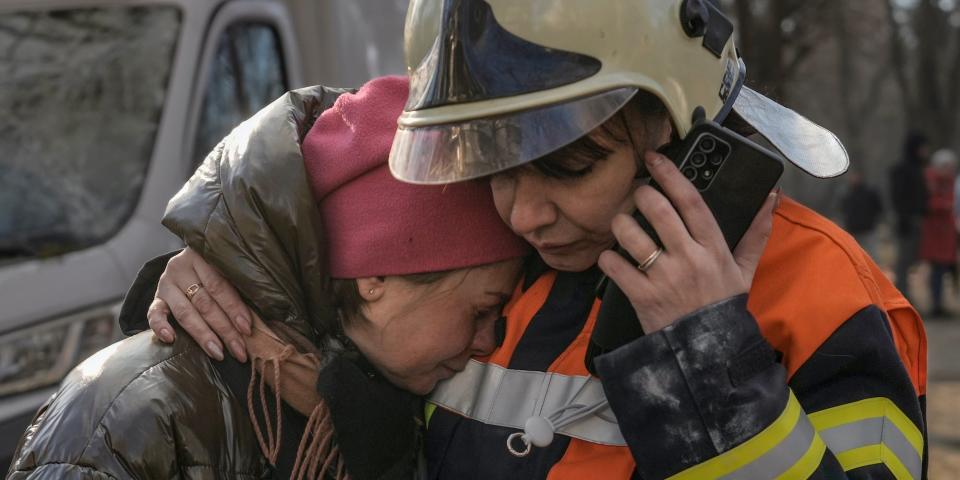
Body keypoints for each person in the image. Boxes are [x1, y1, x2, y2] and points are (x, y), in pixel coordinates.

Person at [145, 1, 927, 478]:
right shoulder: (488, 250)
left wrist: (710, 361)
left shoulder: (831, 301)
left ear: (682, 129)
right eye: (491, 166)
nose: (521, 214)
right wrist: (227, 254)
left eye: (567, 167)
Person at [5, 77, 530, 479]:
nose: (487, 343)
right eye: (482, 310)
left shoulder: (383, 409)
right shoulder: (126, 415)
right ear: (376, 276)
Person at [891, 132, 932, 300]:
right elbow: (898, 196)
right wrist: (904, 217)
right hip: (906, 221)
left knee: (912, 260)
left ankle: (904, 292)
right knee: (904, 260)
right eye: (923, 147)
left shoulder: (918, 168)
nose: (925, 151)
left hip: (916, 219)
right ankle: (901, 293)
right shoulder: (903, 169)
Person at [920, 149, 958, 317]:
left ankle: (940, 303)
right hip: (935, 233)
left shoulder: (949, 182)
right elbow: (929, 204)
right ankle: (936, 304)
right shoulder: (931, 180)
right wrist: (944, 205)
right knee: (937, 270)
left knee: (943, 270)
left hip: (946, 232)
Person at [840, 170, 884, 259]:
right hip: (852, 231)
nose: (854, 179)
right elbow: (842, 210)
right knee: (854, 256)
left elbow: (879, 208)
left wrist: (873, 220)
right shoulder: (847, 193)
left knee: (871, 256)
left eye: (856, 176)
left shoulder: (870, 192)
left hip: (868, 229)